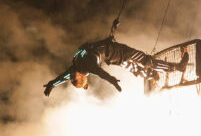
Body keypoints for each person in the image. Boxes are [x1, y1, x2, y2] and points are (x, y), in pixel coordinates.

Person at [43, 35, 189, 97]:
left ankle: (151, 75)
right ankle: (177, 67)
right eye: (75, 79)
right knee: (146, 61)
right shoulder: (88, 67)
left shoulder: (74, 68)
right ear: (82, 76)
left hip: (114, 57)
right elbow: (101, 74)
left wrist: (51, 84)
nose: (71, 77)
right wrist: (112, 80)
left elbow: (62, 77)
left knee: (135, 68)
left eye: (72, 79)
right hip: (119, 53)